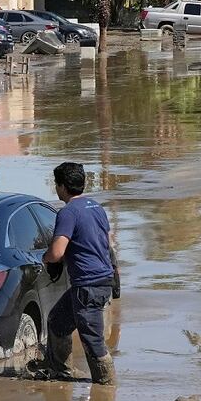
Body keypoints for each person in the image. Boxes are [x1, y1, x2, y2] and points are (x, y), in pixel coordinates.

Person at [32, 162, 118, 385]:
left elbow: (57, 252)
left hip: (88, 285)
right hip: (101, 280)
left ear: (61, 186)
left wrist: (45, 258)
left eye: (56, 184)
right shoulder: (96, 207)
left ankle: (107, 386)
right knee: (57, 321)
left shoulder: (68, 213)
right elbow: (108, 243)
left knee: (92, 340)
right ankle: (60, 371)